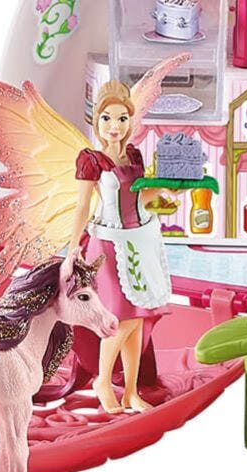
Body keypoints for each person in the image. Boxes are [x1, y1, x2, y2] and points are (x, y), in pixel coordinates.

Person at [64, 79, 172, 413]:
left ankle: (130, 393)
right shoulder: (91, 160)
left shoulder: (134, 155)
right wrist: (72, 247)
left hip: (139, 239)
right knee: (121, 316)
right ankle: (102, 380)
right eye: (107, 118)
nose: (115, 126)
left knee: (137, 317)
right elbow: (83, 205)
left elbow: (140, 196)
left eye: (122, 118)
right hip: (108, 244)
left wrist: (165, 190)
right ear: (96, 120)